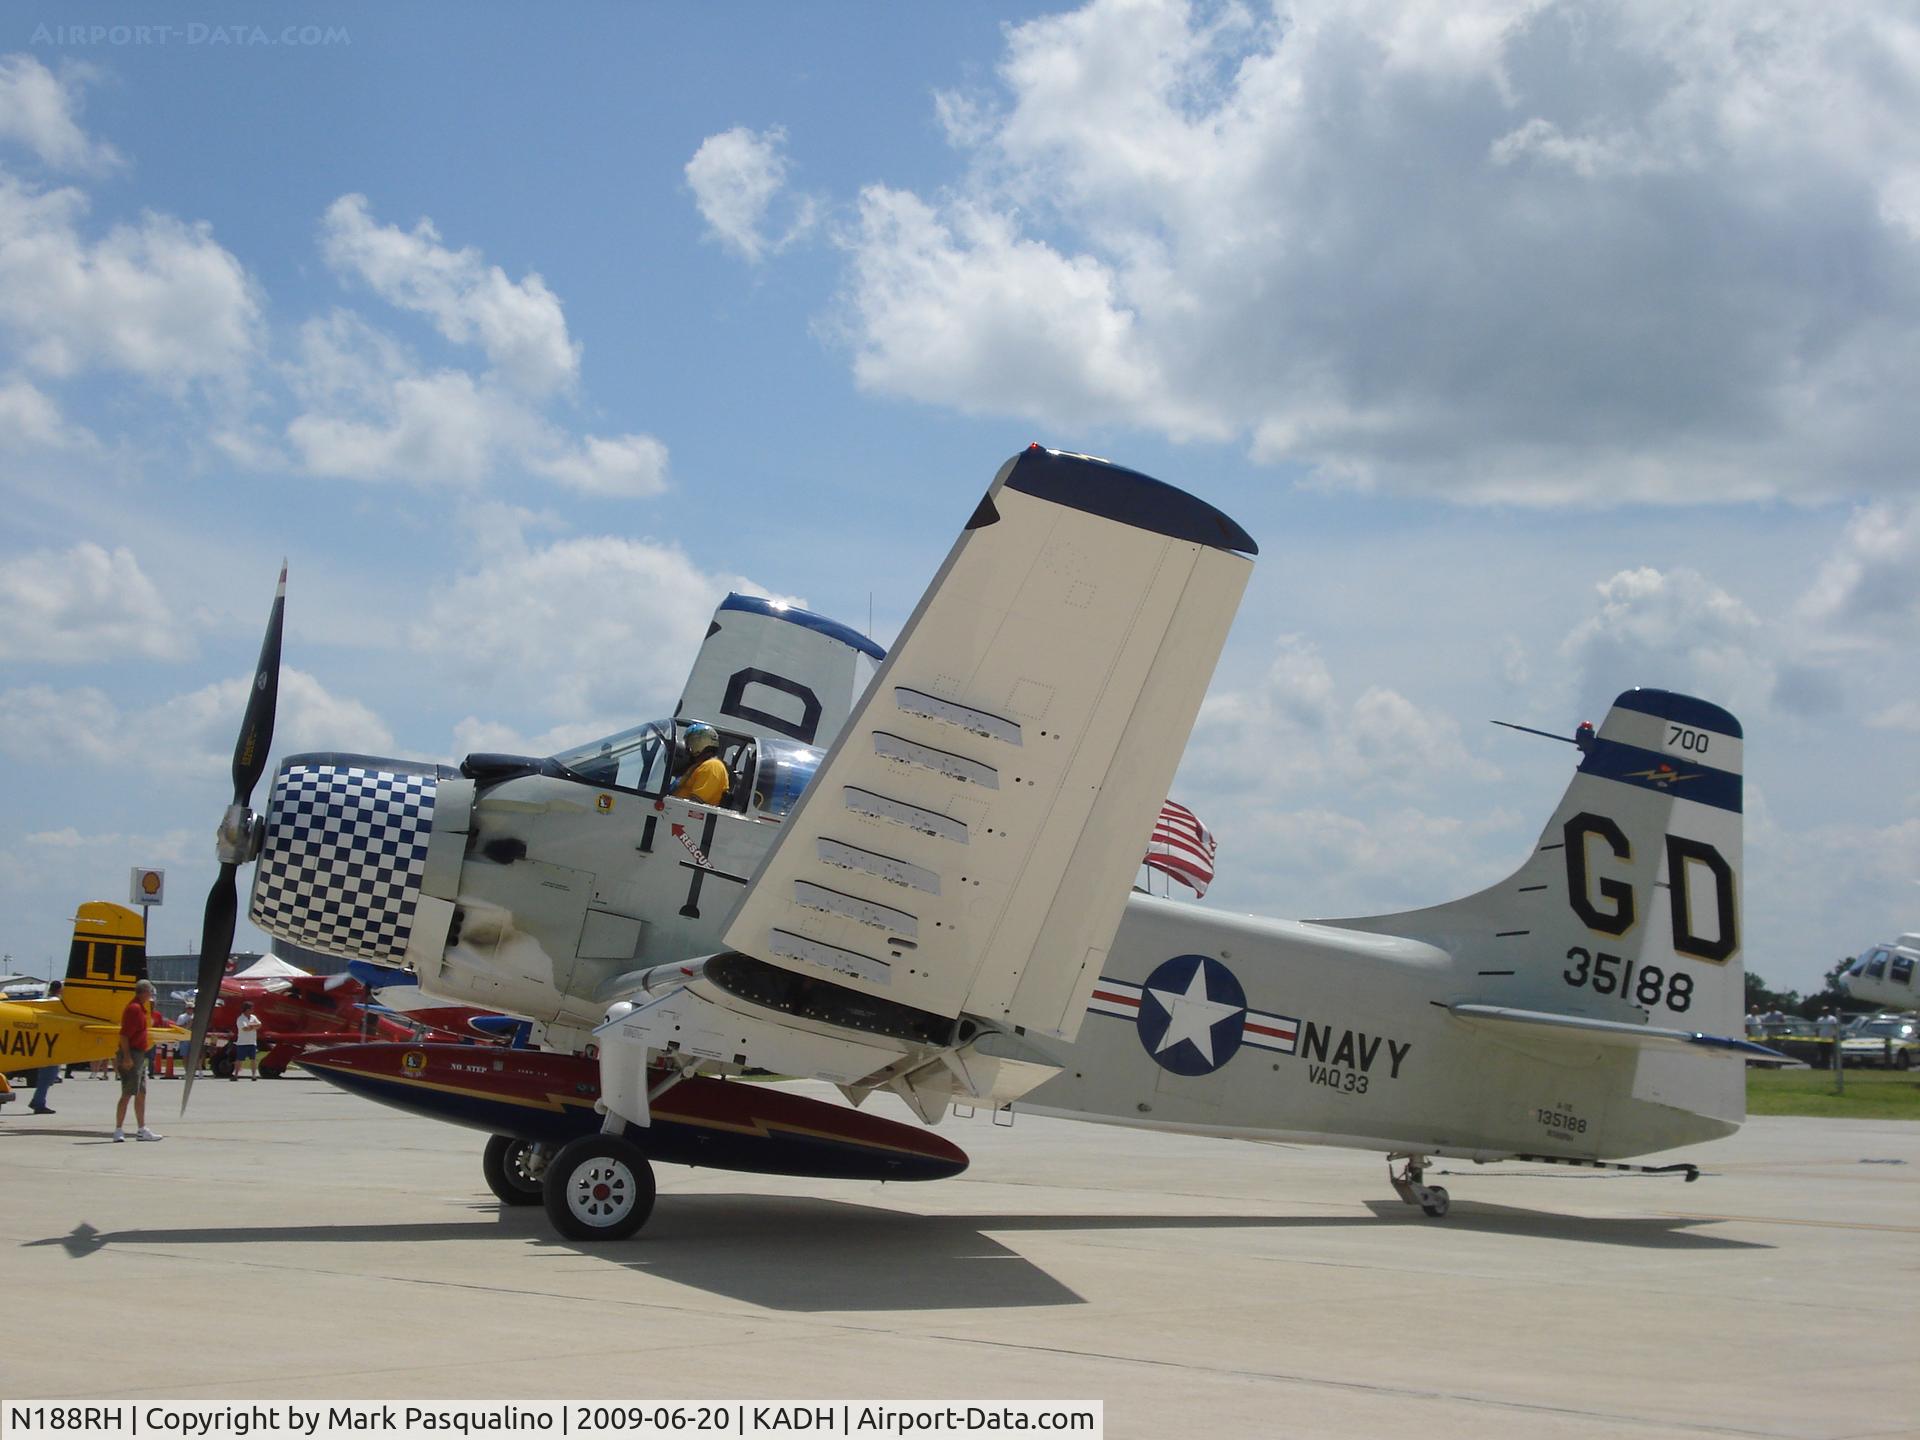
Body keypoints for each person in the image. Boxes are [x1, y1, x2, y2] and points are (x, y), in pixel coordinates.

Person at [113, 978, 162, 1142]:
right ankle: (118, 1129)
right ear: (144, 992)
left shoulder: (141, 1009)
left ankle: (141, 1129)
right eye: (150, 992)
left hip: (140, 1054)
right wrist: (126, 1057)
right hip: (132, 1054)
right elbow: (124, 1035)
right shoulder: (134, 1009)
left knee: (141, 1093)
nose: (151, 995)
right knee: (127, 1092)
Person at [670, 722, 729, 806]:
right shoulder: (699, 765)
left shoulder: (712, 766)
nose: (687, 747)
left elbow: (694, 803)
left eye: (690, 742)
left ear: (700, 742)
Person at [232, 1002, 263, 1081]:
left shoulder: (253, 1017)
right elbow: (245, 1029)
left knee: (253, 1059)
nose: (252, 1010)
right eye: (251, 1009)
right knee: (239, 1059)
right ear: (247, 1009)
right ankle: (235, 1075)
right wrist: (254, 1026)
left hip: (252, 1042)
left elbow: (259, 1025)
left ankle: (254, 1075)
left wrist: (251, 1026)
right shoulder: (240, 1019)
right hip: (242, 1043)